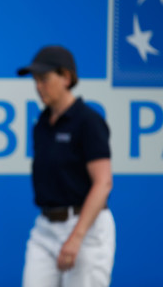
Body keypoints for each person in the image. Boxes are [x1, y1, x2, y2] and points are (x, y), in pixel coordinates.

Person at [17, 46, 116, 287]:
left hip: (86, 228)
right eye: (35, 80)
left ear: (66, 78)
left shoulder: (88, 121)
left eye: (44, 79)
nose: (38, 86)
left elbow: (103, 183)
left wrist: (76, 238)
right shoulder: (41, 123)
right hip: (45, 228)